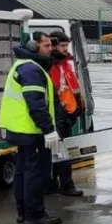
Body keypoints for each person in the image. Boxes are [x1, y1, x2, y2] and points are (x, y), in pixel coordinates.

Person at [0, 31, 63, 224]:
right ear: (34, 46)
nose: (50, 49)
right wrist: (48, 129)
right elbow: (36, 104)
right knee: (35, 173)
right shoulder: (32, 70)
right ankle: (34, 215)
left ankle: (23, 212)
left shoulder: (23, 66)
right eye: (46, 46)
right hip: (30, 130)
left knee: (23, 172)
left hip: (19, 130)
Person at [47, 30, 84, 197]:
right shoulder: (52, 66)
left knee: (60, 152)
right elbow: (54, 92)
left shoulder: (64, 64)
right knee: (61, 153)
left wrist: (78, 108)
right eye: (62, 45)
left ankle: (55, 184)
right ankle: (64, 184)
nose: (65, 48)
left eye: (66, 45)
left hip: (66, 114)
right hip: (58, 116)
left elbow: (71, 88)